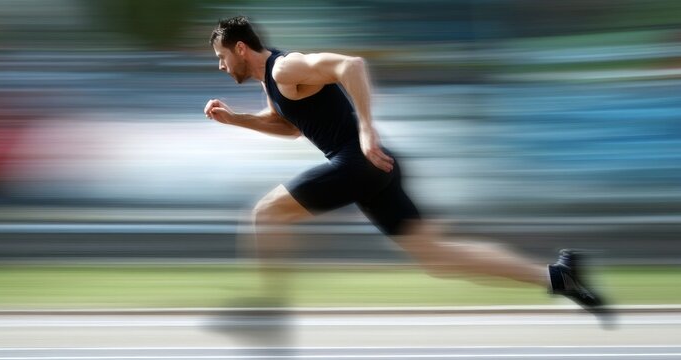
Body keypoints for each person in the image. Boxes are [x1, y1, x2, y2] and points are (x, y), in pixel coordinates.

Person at [204, 16, 610, 325]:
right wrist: (235, 119)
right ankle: (559, 278)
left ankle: (268, 315)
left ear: (240, 49)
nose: (221, 67)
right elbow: (290, 127)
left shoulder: (284, 68)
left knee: (266, 213)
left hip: (360, 159)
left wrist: (366, 130)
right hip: (368, 168)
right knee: (436, 256)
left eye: (221, 58)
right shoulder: (272, 82)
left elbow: (351, 66)